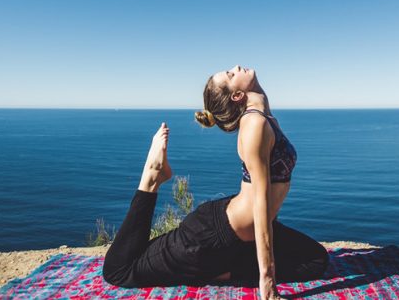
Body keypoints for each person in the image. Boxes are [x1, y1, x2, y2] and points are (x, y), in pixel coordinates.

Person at [102, 65, 329, 299]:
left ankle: (220, 269)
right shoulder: (254, 125)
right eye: (231, 75)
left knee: (316, 260)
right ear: (238, 96)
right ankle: (151, 177)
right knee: (120, 270)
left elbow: (267, 203)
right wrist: (267, 281)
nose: (236, 67)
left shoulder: (264, 116)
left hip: (242, 235)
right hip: (210, 236)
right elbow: (260, 206)